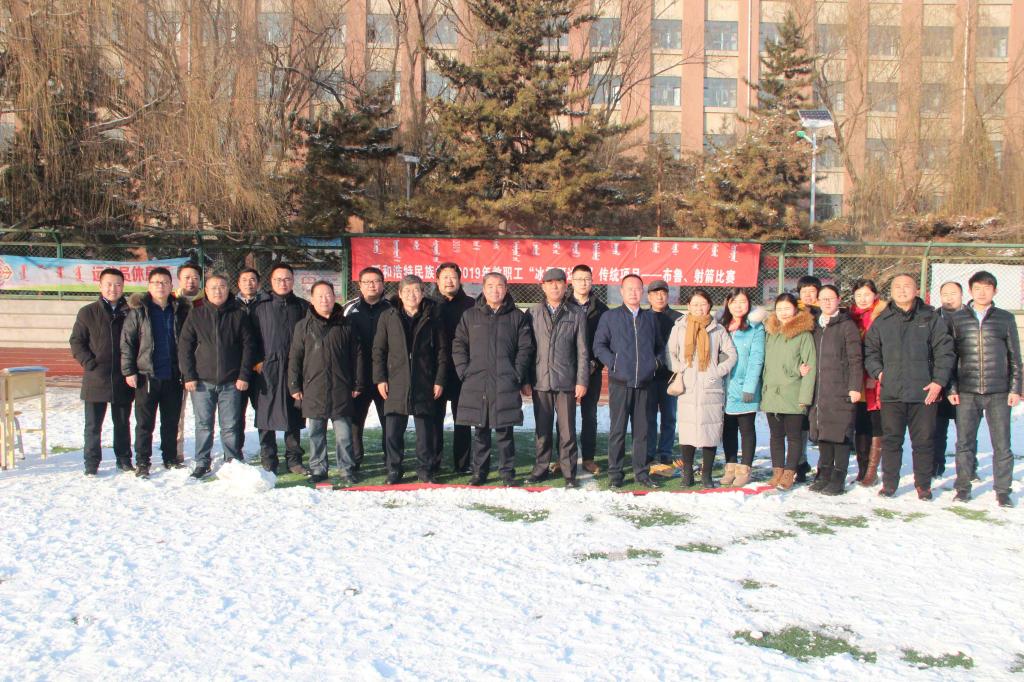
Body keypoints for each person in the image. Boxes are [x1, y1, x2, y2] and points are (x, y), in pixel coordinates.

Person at [864, 274, 955, 500]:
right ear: (891, 291)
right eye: (897, 286)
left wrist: (938, 382)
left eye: (907, 286)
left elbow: (945, 351)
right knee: (891, 441)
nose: (902, 290)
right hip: (892, 392)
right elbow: (870, 352)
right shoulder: (882, 320)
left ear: (916, 291)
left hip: (924, 393)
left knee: (923, 442)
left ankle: (923, 485)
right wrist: (879, 372)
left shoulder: (931, 318)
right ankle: (889, 484)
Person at [947, 271, 1022, 507]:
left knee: (1002, 444)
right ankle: (963, 488)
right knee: (964, 443)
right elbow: (950, 357)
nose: (982, 292)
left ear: (995, 291)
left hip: (998, 391)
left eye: (987, 288)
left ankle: (1003, 490)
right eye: (977, 288)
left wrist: (1015, 388)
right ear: (970, 291)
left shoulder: (1005, 318)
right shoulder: (957, 319)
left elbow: (1015, 356)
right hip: (967, 391)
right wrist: (952, 388)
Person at [451, 272, 534, 486]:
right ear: (483, 289)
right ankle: (480, 472)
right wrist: (464, 371)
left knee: (505, 431)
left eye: (499, 286)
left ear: (506, 289)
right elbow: (459, 345)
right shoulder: (470, 315)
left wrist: (516, 373)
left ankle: (507, 473)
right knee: (481, 430)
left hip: (505, 381)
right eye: (490, 286)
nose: (495, 290)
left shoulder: (517, 316)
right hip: (477, 381)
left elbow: (525, 348)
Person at [178, 274, 257, 478]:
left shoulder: (238, 314)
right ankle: (202, 462)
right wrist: (189, 375)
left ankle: (232, 460)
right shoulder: (196, 314)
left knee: (230, 425)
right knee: (203, 425)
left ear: (228, 289)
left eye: (222, 286)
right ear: (206, 291)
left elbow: (248, 347)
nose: (218, 291)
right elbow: (185, 347)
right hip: (201, 382)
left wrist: (243, 375)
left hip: (231, 382)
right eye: (213, 287)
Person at [289, 281, 367, 485]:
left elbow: (357, 355)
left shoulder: (346, 324)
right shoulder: (303, 326)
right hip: (313, 387)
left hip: (341, 387)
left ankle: (346, 469)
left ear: (335, 297)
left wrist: (358, 383)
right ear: (312, 299)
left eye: (328, 295)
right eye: (320, 296)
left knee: (344, 435)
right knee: (316, 433)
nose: (325, 299)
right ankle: (318, 468)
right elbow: (295, 357)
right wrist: (294, 385)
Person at [373, 275, 448, 484]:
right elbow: (379, 351)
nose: (411, 295)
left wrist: (440, 380)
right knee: (393, 431)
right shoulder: (388, 316)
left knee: (425, 433)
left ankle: (425, 470)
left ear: (423, 293)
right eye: (407, 291)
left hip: (425, 380)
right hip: (395, 381)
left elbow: (442, 352)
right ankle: (394, 469)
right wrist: (380, 378)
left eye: (416, 290)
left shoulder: (433, 316)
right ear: (399, 293)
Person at [593, 274, 663, 489]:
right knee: (618, 431)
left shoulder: (650, 318)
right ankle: (615, 473)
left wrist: (655, 364)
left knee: (642, 432)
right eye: (629, 288)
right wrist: (613, 363)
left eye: (637, 289)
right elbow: (599, 346)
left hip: (644, 384)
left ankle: (641, 473)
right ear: (621, 291)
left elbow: (660, 347)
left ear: (642, 292)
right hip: (620, 383)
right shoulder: (610, 317)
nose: (633, 292)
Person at [121, 267, 191, 478]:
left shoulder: (180, 310)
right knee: (145, 423)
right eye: (156, 282)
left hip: (173, 376)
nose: (160, 286)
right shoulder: (138, 312)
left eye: (164, 282)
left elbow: (189, 342)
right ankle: (143, 462)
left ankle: (170, 458)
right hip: (147, 376)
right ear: (149, 286)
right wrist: (129, 371)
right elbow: (127, 343)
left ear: (171, 286)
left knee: (170, 421)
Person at [525, 268, 589, 487]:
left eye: (559, 282)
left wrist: (581, 381)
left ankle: (569, 473)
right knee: (542, 430)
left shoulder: (576, 313)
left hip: (566, 381)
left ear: (565, 285)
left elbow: (582, 351)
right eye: (550, 282)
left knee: (567, 431)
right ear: (542, 286)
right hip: (540, 380)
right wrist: (526, 380)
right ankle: (541, 469)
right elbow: (527, 349)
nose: (554, 286)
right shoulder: (532, 313)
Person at [667, 289, 737, 488]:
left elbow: (731, 354)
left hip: (710, 386)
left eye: (703, 304)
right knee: (687, 431)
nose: (699, 308)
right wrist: (679, 369)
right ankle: (687, 474)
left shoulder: (718, 329)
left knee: (710, 431)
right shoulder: (679, 327)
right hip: (687, 385)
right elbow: (670, 352)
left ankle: (707, 475)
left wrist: (717, 371)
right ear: (688, 306)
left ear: (709, 306)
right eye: (695, 304)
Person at [69, 268, 134, 475]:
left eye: (118, 284)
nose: (113, 289)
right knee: (93, 425)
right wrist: (89, 363)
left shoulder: (131, 312)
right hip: (96, 377)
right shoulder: (87, 312)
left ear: (123, 287)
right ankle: (91, 463)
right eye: (109, 284)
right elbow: (77, 342)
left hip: (123, 377)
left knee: (122, 423)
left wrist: (131, 368)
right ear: (100, 286)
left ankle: (124, 459)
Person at [251, 263, 307, 474]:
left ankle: (294, 459)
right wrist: (257, 362)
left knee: (294, 414)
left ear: (293, 281)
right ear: (271, 281)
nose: (283, 283)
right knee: (265, 415)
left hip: (294, 368)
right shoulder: (259, 306)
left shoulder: (302, 306)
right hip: (267, 369)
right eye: (278, 279)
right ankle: (268, 458)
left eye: (287, 279)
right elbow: (250, 338)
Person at [808, 285, 863, 496]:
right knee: (823, 432)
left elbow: (855, 359)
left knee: (840, 434)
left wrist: (854, 387)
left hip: (840, 387)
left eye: (831, 298)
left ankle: (838, 477)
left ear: (839, 299)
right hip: (820, 389)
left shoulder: (847, 325)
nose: (827, 302)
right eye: (823, 299)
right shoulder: (815, 326)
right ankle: (824, 473)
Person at [760, 293, 816, 490]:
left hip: (793, 393)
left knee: (794, 437)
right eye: (779, 309)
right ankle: (777, 471)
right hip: (772, 393)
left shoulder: (804, 335)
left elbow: (810, 367)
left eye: (787, 308)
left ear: (795, 310)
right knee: (775, 436)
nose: (783, 313)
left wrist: (805, 397)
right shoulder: (771, 334)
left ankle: (789, 473)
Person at [344, 266, 392, 473]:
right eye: (367, 282)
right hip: (358, 377)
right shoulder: (349, 309)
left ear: (383, 284)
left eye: (376, 281)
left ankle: (391, 460)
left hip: (386, 378)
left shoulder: (392, 308)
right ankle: (354, 461)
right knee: (355, 422)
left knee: (389, 421)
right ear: (360, 285)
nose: (372, 285)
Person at [431, 262, 475, 475]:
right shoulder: (429, 304)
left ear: (459, 280)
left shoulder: (471, 305)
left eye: (453, 277)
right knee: (434, 419)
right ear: (437, 280)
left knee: (463, 419)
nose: (449, 281)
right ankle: (434, 462)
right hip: (435, 371)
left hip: (462, 370)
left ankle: (463, 463)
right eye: (445, 277)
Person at [720, 288, 766, 487]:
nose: (739, 306)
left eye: (743, 302)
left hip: (745, 386)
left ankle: (745, 468)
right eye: (734, 302)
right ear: (728, 304)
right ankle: (730, 466)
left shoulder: (755, 328)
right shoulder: (721, 326)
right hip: (724, 386)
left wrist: (750, 386)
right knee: (728, 428)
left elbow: (757, 358)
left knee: (746, 428)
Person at [568, 264, 608, 475]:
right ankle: (564, 458)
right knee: (565, 417)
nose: (583, 283)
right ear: (571, 281)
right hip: (566, 371)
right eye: (579, 279)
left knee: (589, 416)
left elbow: (606, 342)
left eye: (587, 279)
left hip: (592, 371)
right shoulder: (563, 305)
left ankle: (589, 458)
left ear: (592, 281)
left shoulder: (602, 310)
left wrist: (595, 364)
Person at [847, 279, 886, 485]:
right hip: (856, 377)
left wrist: (874, 373)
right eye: (858, 295)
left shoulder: (882, 316)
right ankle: (862, 469)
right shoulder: (851, 316)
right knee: (860, 423)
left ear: (875, 295)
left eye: (867, 295)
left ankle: (872, 470)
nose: (862, 299)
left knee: (875, 423)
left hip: (876, 378)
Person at [646, 280, 681, 466]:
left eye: (663, 293)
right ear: (649, 297)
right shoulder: (642, 317)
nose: (659, 297)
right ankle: (649, 451)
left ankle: (665, 451)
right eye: (655, 293)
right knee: (649, 416)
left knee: (669, 416)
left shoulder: (679, 319)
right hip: (649, 376)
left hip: (671, 376)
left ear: (668, 295)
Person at [935, 281, 966, 478]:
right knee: (938, 428)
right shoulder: (934, 317)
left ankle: (968, 468)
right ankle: (936, 465)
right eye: (945, 294)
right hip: (939, 379)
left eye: (953, 293)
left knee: (965, 430)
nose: (949, 297)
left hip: (965, 380)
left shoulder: (971, 317)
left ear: (962, 294)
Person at [174, 261, 204, 463]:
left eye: (195, 277)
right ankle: (177, 452)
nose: (191, 281)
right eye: (186, 277)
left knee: (204, 416)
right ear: (179, 279)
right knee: (177, 413)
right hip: (177, 366)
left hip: (204, 366)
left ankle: (205, 452)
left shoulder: (207, 300)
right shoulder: (171, 301)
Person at [793, 275, 821, 483]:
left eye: (812, 291)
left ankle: (825, 464)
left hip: (823, 372)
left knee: (820, 420)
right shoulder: (794, 313)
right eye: (804, 292)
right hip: (801, 373)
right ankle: (800, 461)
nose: (808, 295)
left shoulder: (825, 312)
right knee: (801, 419)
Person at [236, 267, 266, 457]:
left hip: (261, 368)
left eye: (253, 279)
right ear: (238, 283)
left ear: (259, 283)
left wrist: (263, 359)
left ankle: (267, 453)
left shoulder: (267, 303)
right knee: (236, 414)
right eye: (245, 279)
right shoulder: (231, 304)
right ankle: (235, 453)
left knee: (263, 412)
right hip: (237, 370)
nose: (249, 283)